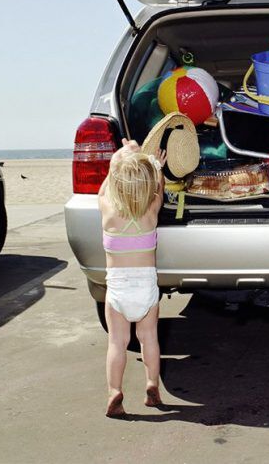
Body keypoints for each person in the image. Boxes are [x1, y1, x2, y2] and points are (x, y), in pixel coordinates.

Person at [98, 138, 166, 417]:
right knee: (149, 338)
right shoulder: (151, 212)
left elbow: (105, 185)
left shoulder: (108, 212)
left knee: (117, 342)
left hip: (117, 290)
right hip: (146, 290)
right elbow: (158, 188)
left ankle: (115, 391)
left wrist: (122, 155)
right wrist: (155, 166)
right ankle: (152, 385)